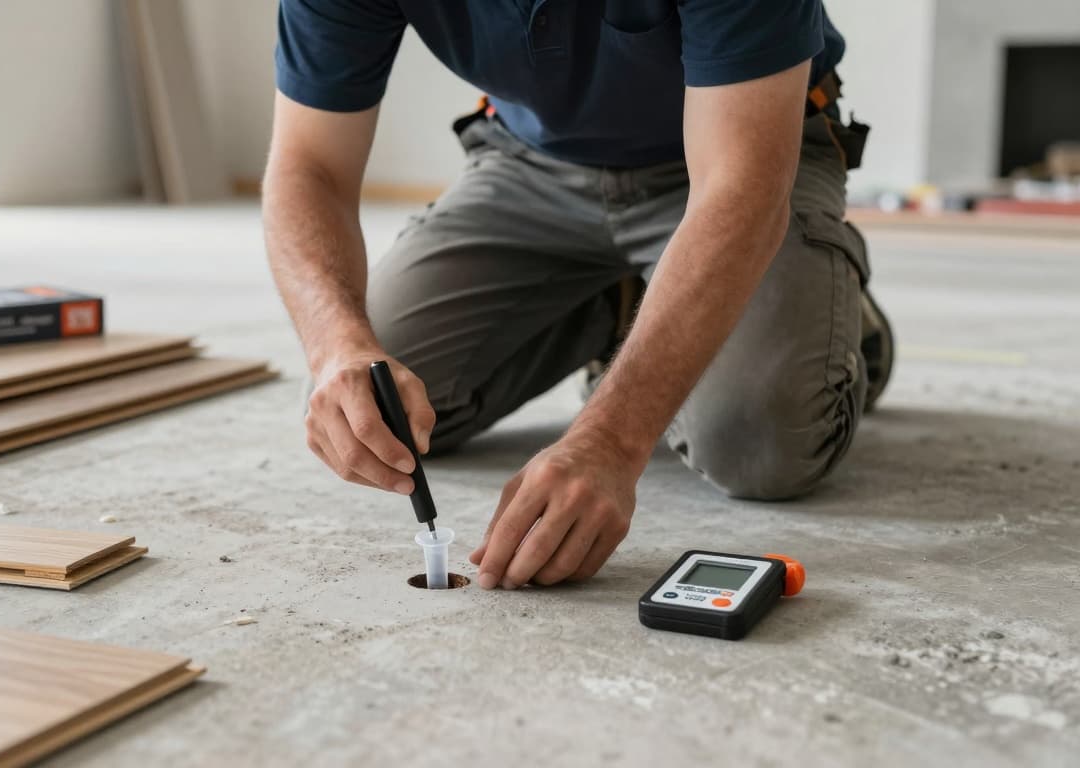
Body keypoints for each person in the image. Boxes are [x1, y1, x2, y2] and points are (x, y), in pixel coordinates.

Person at [262, 0, 892, 591]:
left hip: (739, 157)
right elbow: (306, 165)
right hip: (531, 162)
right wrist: (336, 347)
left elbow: (742, 190)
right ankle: (622, 307)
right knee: (384, 406)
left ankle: (838, 315)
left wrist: (612, 441)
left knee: (757, 444)